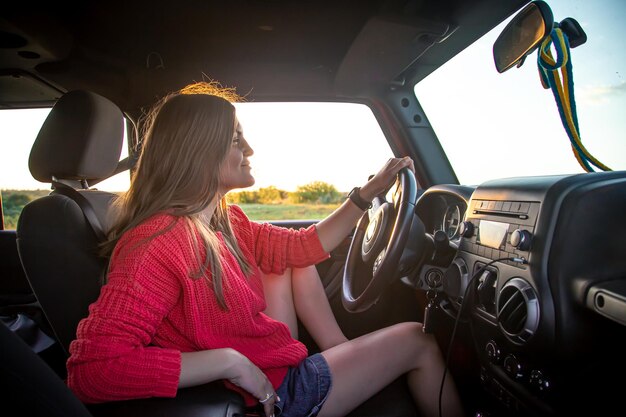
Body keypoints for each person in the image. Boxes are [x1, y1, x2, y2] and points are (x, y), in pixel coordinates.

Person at [66, 81, 464, 417]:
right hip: (270, 395)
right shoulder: (158, 242)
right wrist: (229, 362)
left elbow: (304, 246)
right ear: (199, 151)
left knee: (287, 260)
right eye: (237, 139)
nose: (250, 150)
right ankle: (342, 364)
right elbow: (91, 370)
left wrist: (365, 195)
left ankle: (341, 353)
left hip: (272, 363)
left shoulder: (225, 222)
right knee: (419, 339)